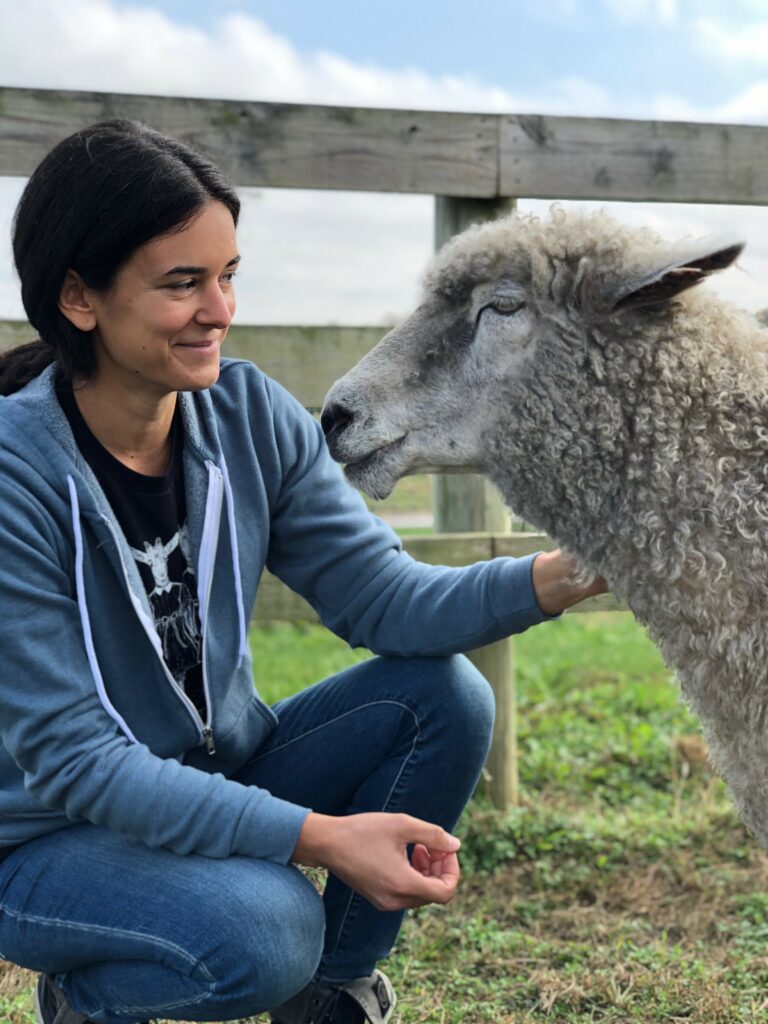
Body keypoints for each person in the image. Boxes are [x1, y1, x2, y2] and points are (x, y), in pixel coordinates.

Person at [0, 120, 606, 1024]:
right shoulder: (17, 477)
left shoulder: (246, 416)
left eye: (228, 275)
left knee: (445, 698)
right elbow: (78, 764)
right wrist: (322, 840)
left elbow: (386, 598)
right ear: (80, 298)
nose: (220, 309)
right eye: (182, 284)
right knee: (271, 929)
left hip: (214, 770)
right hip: (48, 838)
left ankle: (330, 998)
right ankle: (89, 997)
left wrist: (560, 576)